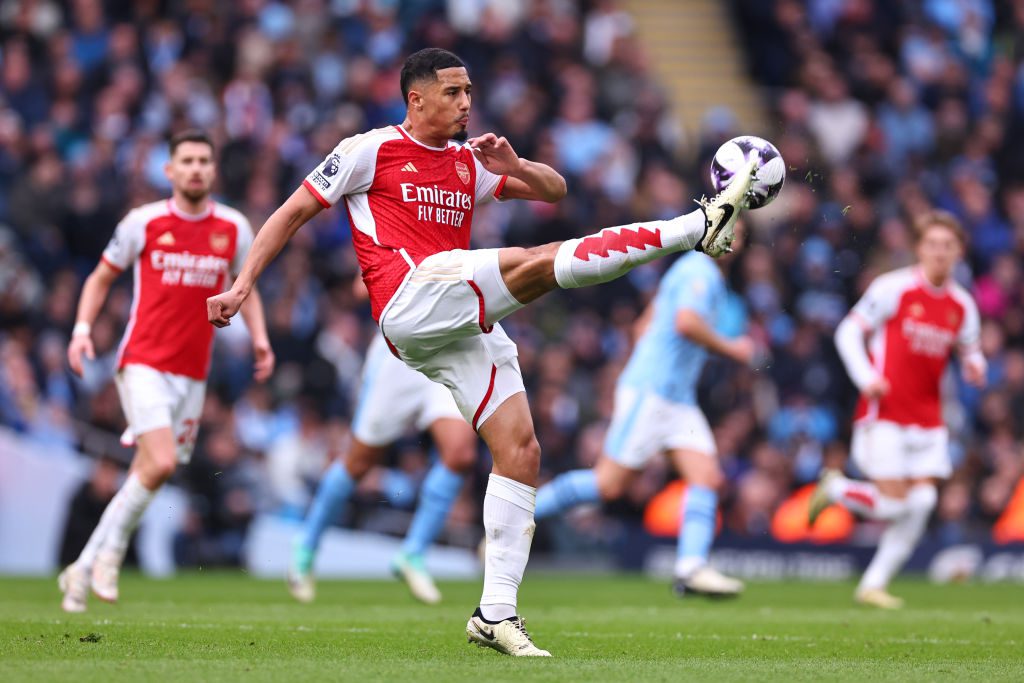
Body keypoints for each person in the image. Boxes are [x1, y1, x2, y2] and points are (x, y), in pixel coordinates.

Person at [207, 48, 758, 656]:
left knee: (520, 449)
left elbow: (556, 188)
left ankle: (495, 613)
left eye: (469, 90)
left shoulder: (472, 161)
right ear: (416, 99)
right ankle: (695, 225)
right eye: (453, 92)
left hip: (457, 319)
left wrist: (516, 163)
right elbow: (291, 213)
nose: (466, 102)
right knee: (540, 262)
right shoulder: (370, 149)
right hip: (411, 298)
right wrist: (242, 283)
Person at [58, 129, 274, 613]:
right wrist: (81, 329)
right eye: (187, 161)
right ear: (169, 170)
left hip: (193, 375)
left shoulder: (233, 228)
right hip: (143, 362)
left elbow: (246, 288)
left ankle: (80, 567)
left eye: (204, 160)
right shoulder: (144, 222)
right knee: (157, 463)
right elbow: (100, 277)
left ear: (213, 170)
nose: (196, 168)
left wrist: (260, 338)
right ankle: (110, 556)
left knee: (150, 472)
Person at [533, 248, 751, 597]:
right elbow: (686, 323)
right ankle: (513, 521)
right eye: (733, 229)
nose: (736, 238)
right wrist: (732, 348)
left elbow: (642, 326)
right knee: (607, 486)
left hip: (674, 397)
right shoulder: (701, 271)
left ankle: (691, 568)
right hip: (653, 393)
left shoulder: (688, 270)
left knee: (707, 477)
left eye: (741, 233)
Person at [810, 210, 986, 609]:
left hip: (928, 420)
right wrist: (865, 376)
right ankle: (836, 488)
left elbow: (971, 349)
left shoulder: (962, 305)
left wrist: (976, 366)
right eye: (933, 245)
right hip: (884, 413)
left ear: (958, 251)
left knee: (922, 503)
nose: (940, 253)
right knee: (893, 504)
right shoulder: (892, 289)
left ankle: (872, 585)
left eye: (948, 246)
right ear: (919, 249)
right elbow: (848, 331)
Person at [288, 280, 478, 606]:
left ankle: (413, 553)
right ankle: (306, 544)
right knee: (359, 462)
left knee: (460, 454)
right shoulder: (396, 228)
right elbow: (363, 287)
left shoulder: (459, 228)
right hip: (400, 352)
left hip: (448, 346)